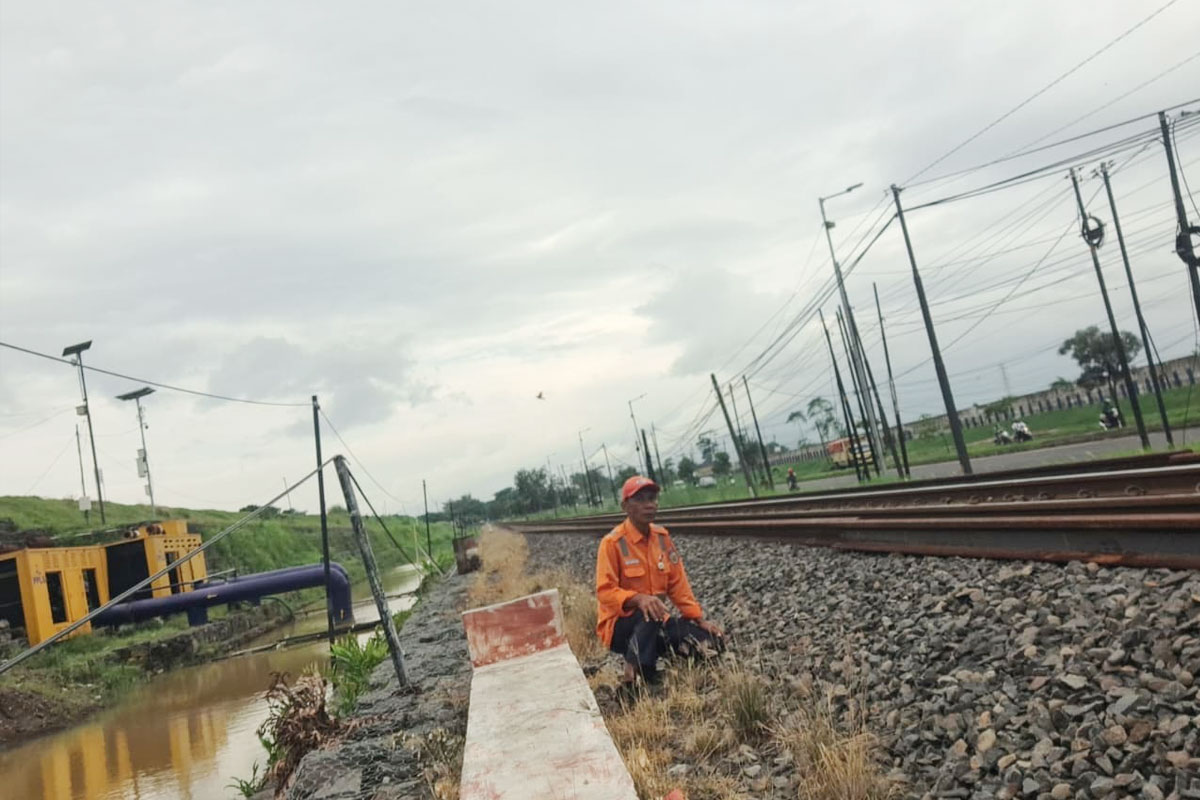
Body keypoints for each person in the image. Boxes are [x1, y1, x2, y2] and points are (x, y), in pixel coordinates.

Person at [595, 475, 724, 689]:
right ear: (625, 506)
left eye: (653, 498)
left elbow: (677, 584)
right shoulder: (612, 543)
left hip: (655, 623)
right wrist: (638, 599)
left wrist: (698, 619)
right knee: (652, 610)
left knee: (711, 643)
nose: (650, 504)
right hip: (619, 628)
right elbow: (604, 592)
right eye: (641, 500)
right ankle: (632, 674)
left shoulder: (662, 538)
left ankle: (653, 662)